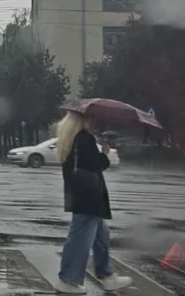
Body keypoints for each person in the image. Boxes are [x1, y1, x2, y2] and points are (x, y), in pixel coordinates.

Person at [55, 111, 132, 294]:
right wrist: (104, 154)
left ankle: (106, 276)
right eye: (89, 118)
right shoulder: (84, 138)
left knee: (101, 236)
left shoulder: (69, 139)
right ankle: (68, 280)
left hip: (80, 194)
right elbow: (94, 164)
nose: (92, 120)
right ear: (83, 120)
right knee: (80, 238)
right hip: (89, 196)